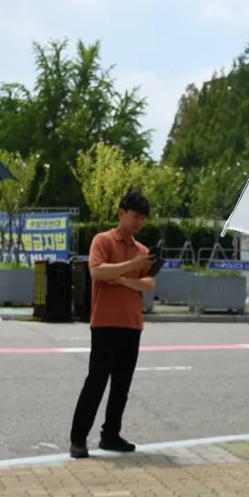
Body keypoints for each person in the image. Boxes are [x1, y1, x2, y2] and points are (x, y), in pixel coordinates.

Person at [69, 188, 156, 459]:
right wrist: (132, 266)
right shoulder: (103, 241)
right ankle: (78, 438)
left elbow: (149, 283)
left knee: (122, 384)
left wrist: (123, 280)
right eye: (135, 216)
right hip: (105, 323)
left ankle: (111, 435)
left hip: (132, 324)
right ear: (121, 213)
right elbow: (97, 272)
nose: (139, 222)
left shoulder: (143, 250)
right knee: (96, 381)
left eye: (143, 218)